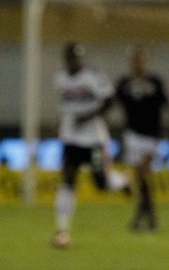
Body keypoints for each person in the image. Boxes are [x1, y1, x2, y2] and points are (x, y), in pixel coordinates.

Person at [51, 42, 122, 248]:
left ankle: (122, 182)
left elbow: (110, 100)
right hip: (71, 139)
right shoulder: (60, 79)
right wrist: (59, 124)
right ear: (66, 58)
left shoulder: (93, 76)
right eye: (72, 57)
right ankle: (62, 230)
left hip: (94, 139)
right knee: (68, 178)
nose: (75, 61)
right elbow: (64, 106)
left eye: (78, 57)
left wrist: (88, 116)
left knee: (101, 183)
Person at [115, 45, 169, 232]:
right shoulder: (124, 83)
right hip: (132, 135)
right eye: (136, 59)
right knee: (141, 179)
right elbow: (112, 103)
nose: (138, 62)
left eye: (141, 59)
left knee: (144, 175)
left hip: (153, 136)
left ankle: (144, 218)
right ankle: (147, 218)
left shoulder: (155, 82)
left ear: (146, 61)